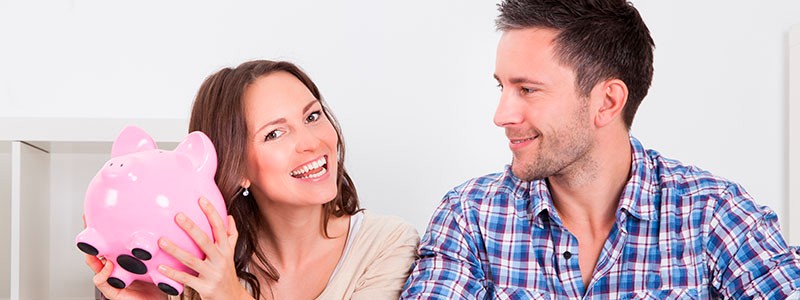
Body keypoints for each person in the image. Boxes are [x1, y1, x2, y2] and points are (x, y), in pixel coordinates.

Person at [401, 0, 800, 298]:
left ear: (607, 102)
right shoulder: (470, 218)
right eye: (501, 87)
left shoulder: (714, 213)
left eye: (527, 89)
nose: (502, 114)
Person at [84, 60, 420, 299]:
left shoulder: (387, 244)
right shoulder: (195, 259)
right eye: (275, 133)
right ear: (237, 166)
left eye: (312, 116)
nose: (313, 143)